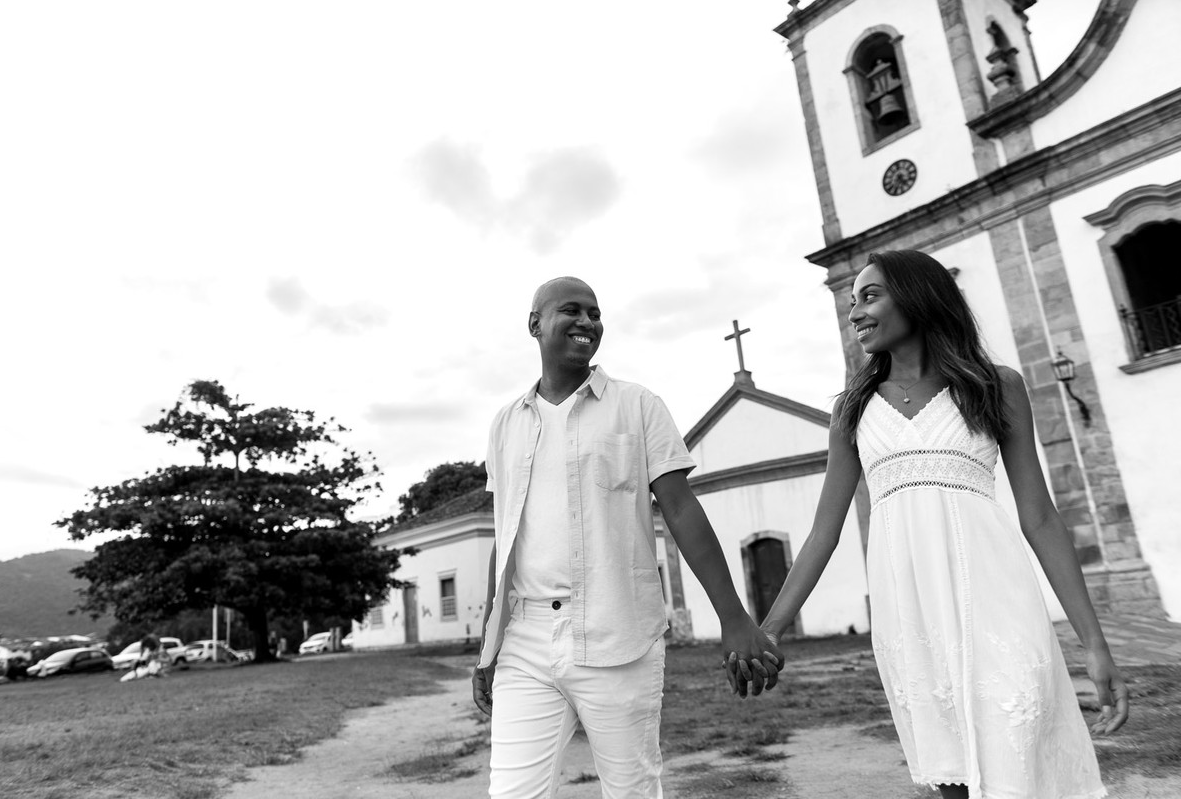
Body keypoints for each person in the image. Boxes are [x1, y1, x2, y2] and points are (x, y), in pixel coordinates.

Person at [758, 250, 1128, 798]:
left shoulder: (996, 385)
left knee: (1018, 748)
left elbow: (1041, 518)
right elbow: (823, 532)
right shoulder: (852, 409)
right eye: (851, 301)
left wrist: (1093, 643)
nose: (855, 312)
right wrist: (771, 628)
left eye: (870, 295)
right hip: (909, 615)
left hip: (997, 602)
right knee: (949, 772)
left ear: (918, 297)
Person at [474, 276, 781, 798]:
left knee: (633, 790)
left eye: (595, 314)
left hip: (619, 635)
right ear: (535, 324)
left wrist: (733, 618)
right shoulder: (506, 424)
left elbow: (681, 510)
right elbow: (506, 539)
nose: (588, 322)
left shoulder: (637, 405)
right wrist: (489, 644)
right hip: (525, 641)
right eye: (571, 310)